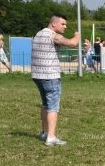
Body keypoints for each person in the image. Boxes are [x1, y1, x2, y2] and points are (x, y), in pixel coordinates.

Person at [31, 14, 80, 146]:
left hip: (37, 75)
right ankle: (51, 137)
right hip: (50, 76)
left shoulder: (39, 34)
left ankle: (44, 132)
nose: (65, 26)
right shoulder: (53, 35)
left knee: (45, 104)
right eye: (63, 24)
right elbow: (72, 43)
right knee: (53, 107)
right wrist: (77, 35)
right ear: (54, 24)